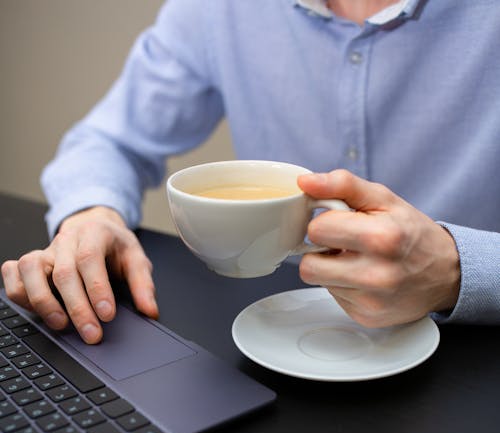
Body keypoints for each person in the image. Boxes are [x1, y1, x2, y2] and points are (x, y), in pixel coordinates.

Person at [2, 0, 499, 344]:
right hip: (268, 337)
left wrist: (458, 269)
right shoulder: (219, 10)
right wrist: (93, 216)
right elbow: (107, 141)